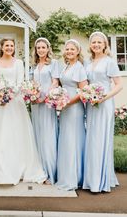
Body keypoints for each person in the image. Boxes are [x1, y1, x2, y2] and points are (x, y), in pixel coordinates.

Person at [0, 38, 46, 185]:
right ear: (2, 47)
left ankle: (15, 169)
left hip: (14, 102)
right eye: (6, 45)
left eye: (11, 46)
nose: (9, 48)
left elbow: (20, 82)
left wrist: (8, 94)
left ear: (14, 47)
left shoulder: (18, 63)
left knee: (14, 135)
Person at [83, 31, 123, 193]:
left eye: (99, 42)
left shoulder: (109, 62)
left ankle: (100, 181)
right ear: (90, 45)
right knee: (91, 139)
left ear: (105, 45)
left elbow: (119, 85)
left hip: (104, 104)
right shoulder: (87, 62)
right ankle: (91, 177)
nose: (96, 45)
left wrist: (104, 97)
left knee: (101, 139)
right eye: (94, 42)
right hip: (91, 104)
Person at [56, 39, 88, 191]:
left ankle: (73, 178)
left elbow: (84, 91)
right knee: (66, 140)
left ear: (77, 52)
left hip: (74, 108)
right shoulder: (66, 66)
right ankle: (65, 175)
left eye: (72, 49)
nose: (69, 51)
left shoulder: (79, 67)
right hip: (64, 107)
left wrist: (68, 102)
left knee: (73, 140)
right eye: (67, 49)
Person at [31, 37, 59, 184]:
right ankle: (39, 170)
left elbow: (55, 82)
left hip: (47, 103)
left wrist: (45, 97)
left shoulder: (53, 64)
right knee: (38, 135)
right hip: (36, 104)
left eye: (43, 47)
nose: (41, 50)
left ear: (48, 48)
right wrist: (32, 94)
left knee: (48, 136)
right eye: (38, 48)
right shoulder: (34, 65)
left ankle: (50, 172)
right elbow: (33, 83)